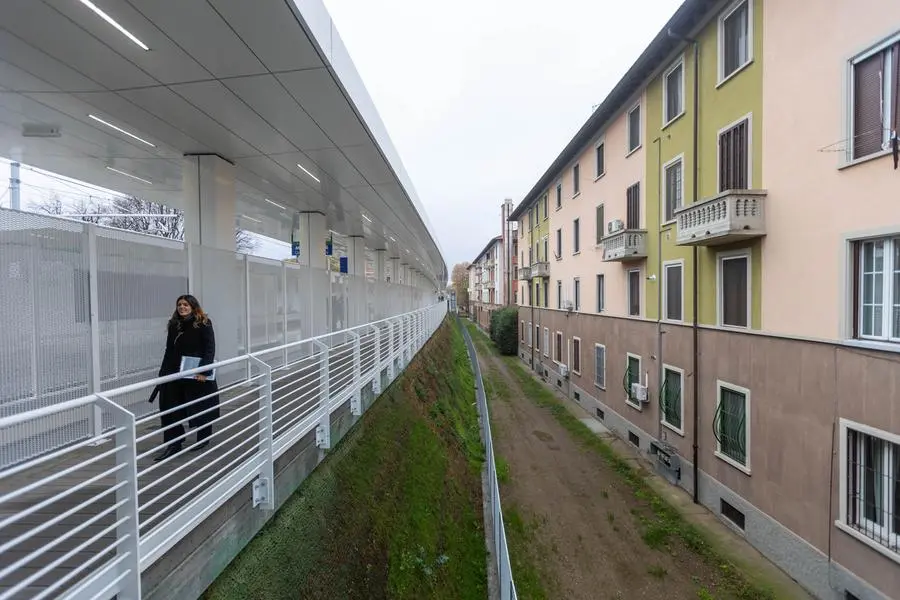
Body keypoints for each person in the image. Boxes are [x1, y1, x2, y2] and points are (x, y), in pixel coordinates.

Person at [151, 294, 220, 462]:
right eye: (179, 304)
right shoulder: (174, 325)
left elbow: (210, 348)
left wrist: (205, 371)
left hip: (196, 372)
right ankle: (174, 443)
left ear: (193, 307)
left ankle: (203, 437)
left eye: (186, 305)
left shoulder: (203, 323)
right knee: (169, 406)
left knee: (199, 404)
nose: (182, 307)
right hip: (175, 371)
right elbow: (169, 350)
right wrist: (163, 373)